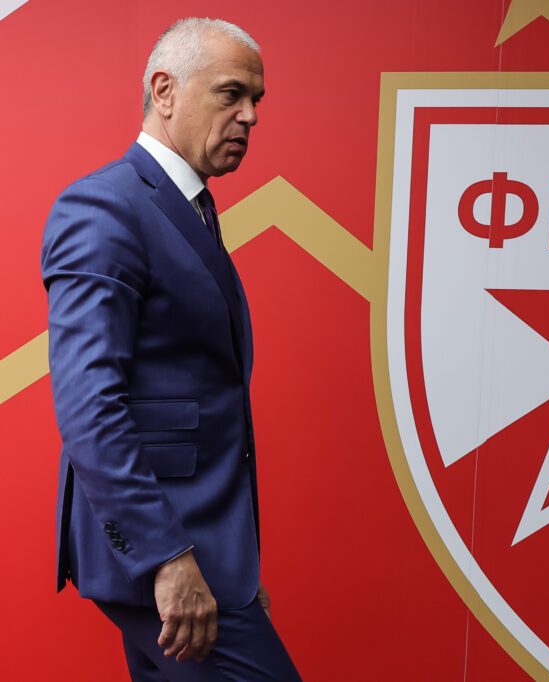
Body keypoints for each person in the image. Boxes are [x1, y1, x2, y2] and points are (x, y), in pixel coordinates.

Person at [41, 18, 301, 681]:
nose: (250, 116)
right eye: (231, 94)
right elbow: (89, 404)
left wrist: (232, 565)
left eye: (256, 101)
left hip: (204, 550)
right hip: (161, 554)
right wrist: (168, 559)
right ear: (164, 90)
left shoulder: (190, 210)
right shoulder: (105, 208)